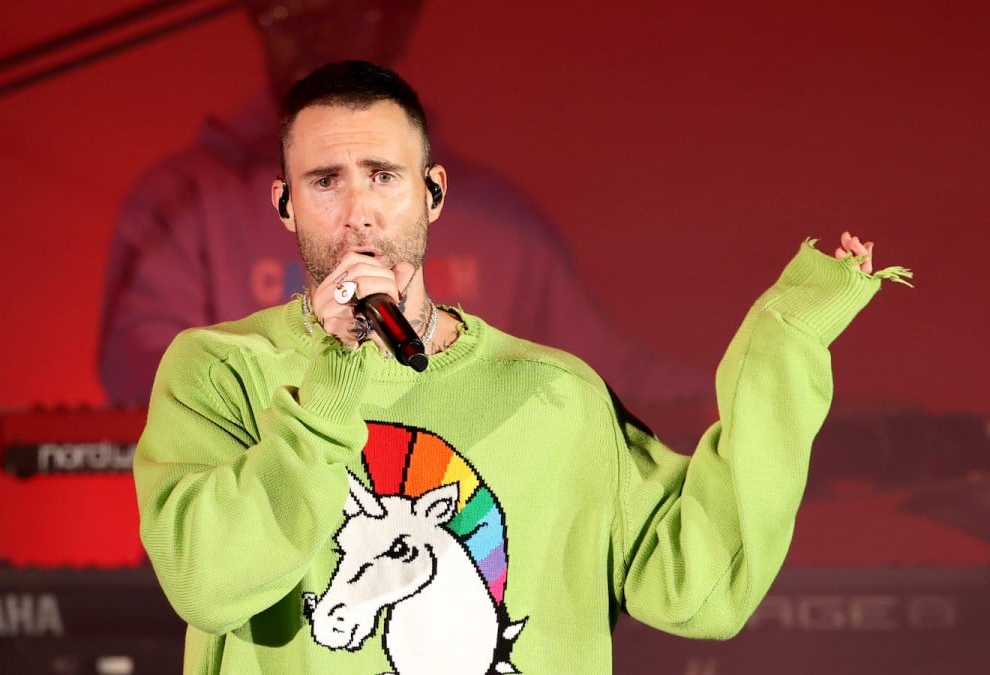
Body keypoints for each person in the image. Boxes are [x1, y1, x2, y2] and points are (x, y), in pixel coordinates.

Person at [133, 61, 911, 673]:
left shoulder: (556, 394)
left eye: (383, 174)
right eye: (325, 181)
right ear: (285, 206)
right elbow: (208, 581)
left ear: (433, 194)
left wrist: (789, 341)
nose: (358, 210)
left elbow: (699, 585)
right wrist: (338, 370)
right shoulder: (218, 373)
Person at [97, 0, 707, 415]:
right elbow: (161, 393)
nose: (319, 36)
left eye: (350, 11)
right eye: (289, 14)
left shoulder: (504, 222)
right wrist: (320, 370)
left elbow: (611, 382)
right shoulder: (179, 206)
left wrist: (757, 404)